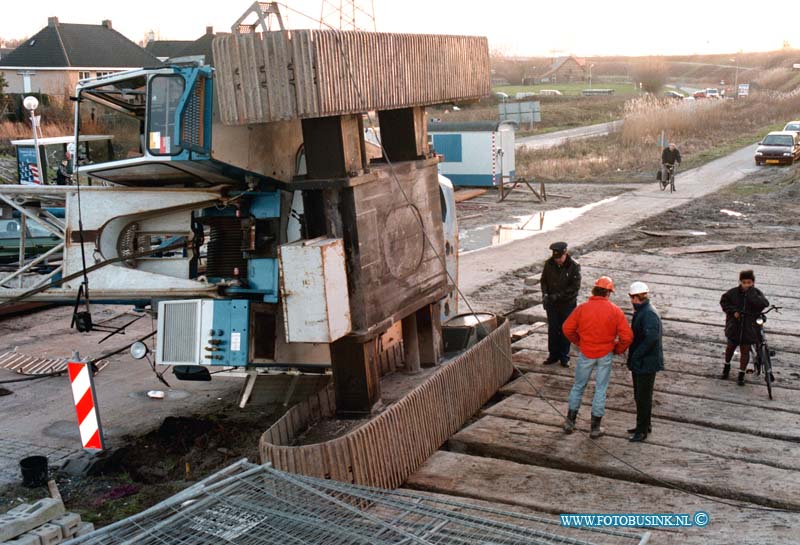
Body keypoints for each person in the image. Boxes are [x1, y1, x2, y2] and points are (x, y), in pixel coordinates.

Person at [561, 276, 633, 438]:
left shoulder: (582, 308)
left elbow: (567, 328)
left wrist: (579, 342)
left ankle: (570, 422)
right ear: (609, 292)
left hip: (586, 353)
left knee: (578, 386)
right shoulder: (615, 310)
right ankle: (595, 428)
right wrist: (618, 349)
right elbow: (627, 336)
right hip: (605, 354)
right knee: (600, 389)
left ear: (594, 290)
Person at [626, 282, 663, 443]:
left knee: (643, 397)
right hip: (643, 361)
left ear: (635, 297)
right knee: (640, 396)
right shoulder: (644, 311)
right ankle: (644, 425)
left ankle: (641, 431)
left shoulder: (648, 314)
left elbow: (651, 339)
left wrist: (636, 355)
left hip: (646, 363)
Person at [720, 270, 769, 386]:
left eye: (749, 282)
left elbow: (764, 304)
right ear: (740, 282)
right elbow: (724, 302)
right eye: (744, 282)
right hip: (734, 327)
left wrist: (752, 295)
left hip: (749, 328)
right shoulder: (732, 293)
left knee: (745, 351)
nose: (747, 284)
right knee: (730, 348)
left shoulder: (756, 293)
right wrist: (733, 312)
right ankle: (726, 366)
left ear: (753, 282)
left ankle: (741, 375)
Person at [540, 241, 581, 367]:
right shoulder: (549, 264)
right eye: (556, 258)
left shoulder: (573, 266)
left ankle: (564, 356)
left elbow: (574, 288)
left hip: (567, 304)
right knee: (553, 329)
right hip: (552, 304)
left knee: (565, 330)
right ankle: (553, 355)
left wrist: (557, 296)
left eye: (560, 258)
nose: (558, 260)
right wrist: (545, 294)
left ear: (565, 254)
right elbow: (544, 280)